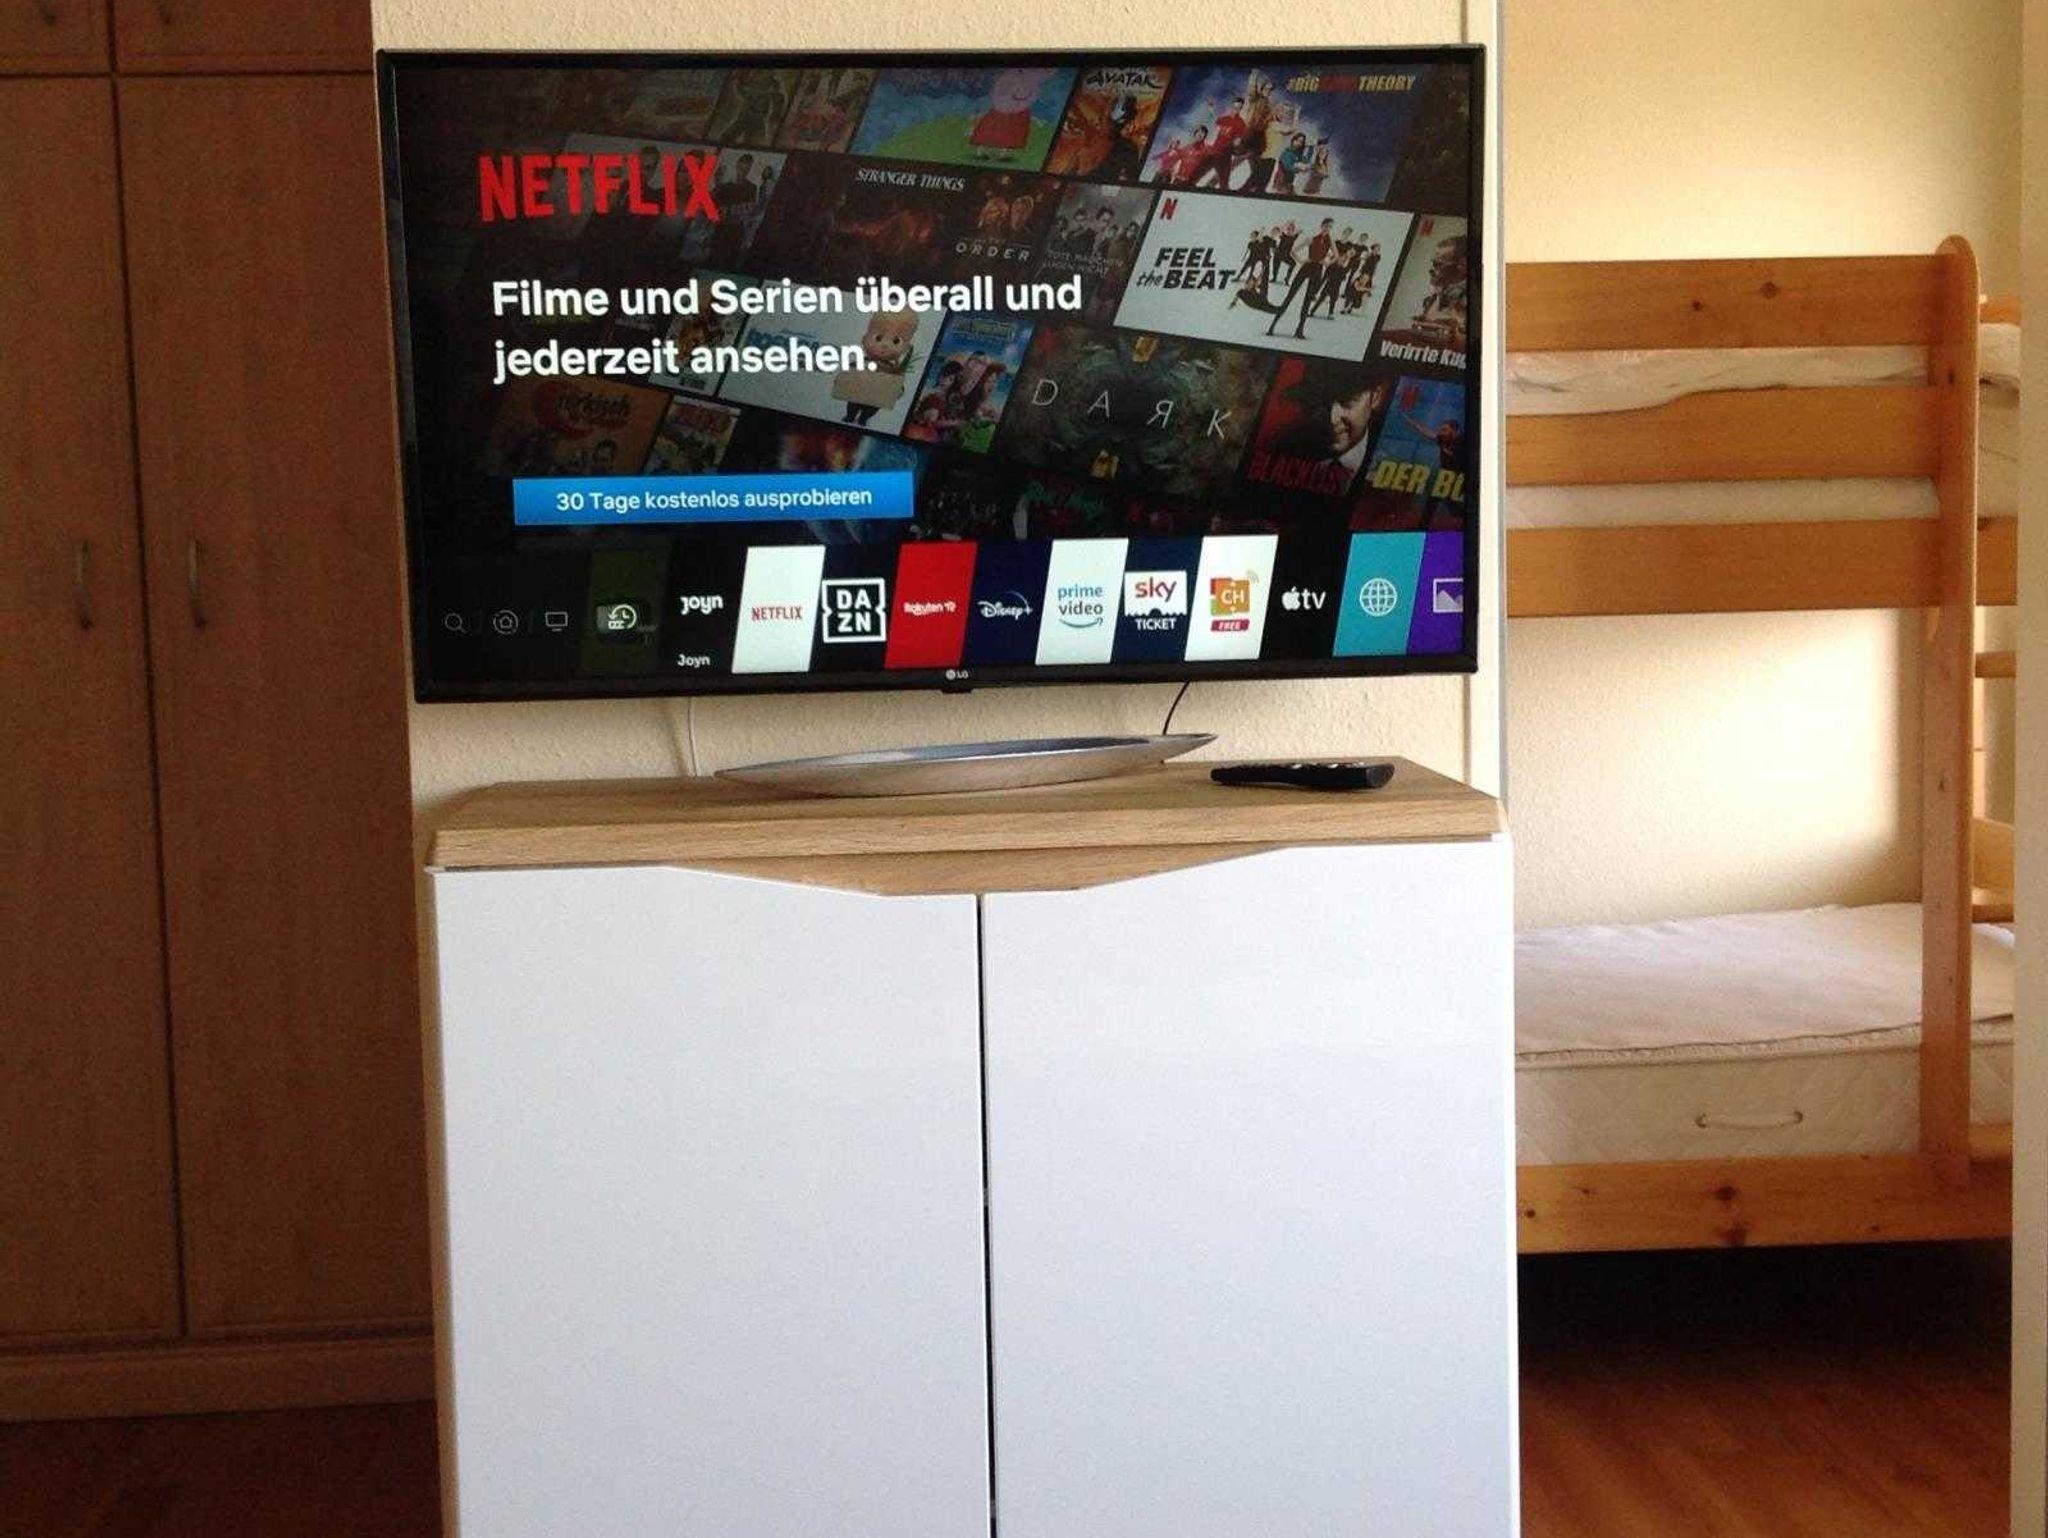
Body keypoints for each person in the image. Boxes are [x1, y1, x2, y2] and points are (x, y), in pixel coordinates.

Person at [1268, 217, 1336, 340]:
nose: (1328, 229)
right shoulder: (1312, 238)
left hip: (1317, 270)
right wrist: (1301, 260)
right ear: (1322, 226)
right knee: (1290, 296)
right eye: (1326, 226)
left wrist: (1326, 262)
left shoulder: (1330, 241)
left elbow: (1336, 256)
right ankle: (1272, 326)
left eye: (1330, 227)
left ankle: (1299, 330)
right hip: (1306, 267)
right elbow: (1293, 251)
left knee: (1307, 300)